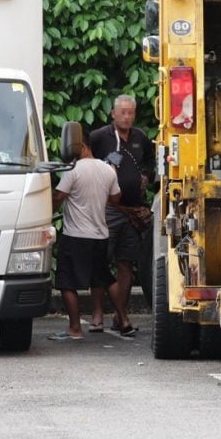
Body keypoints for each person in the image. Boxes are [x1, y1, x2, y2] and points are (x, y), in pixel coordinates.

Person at [88, 94, 155, 337]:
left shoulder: (140, 137)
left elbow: (149, 160)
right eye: (122, 112)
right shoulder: (99, 137)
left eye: (131, 112)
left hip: (133, 211)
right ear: (113, 113)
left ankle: (120, 314)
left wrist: (146, 175)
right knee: (100, 261)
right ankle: (97, 314)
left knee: (126, 263)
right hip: (108, 209)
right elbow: (84, 161)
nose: (127, 116)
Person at [48, 126, 122, 341]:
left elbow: (59, 196)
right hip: (100, 235)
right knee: (104, 278)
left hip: (76, 236)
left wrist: (46, 213)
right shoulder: (108, 169)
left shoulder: (74, 170)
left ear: (81, 146)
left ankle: (74, 328)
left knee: (67, 282)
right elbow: (116, 198)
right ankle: (124, 319)